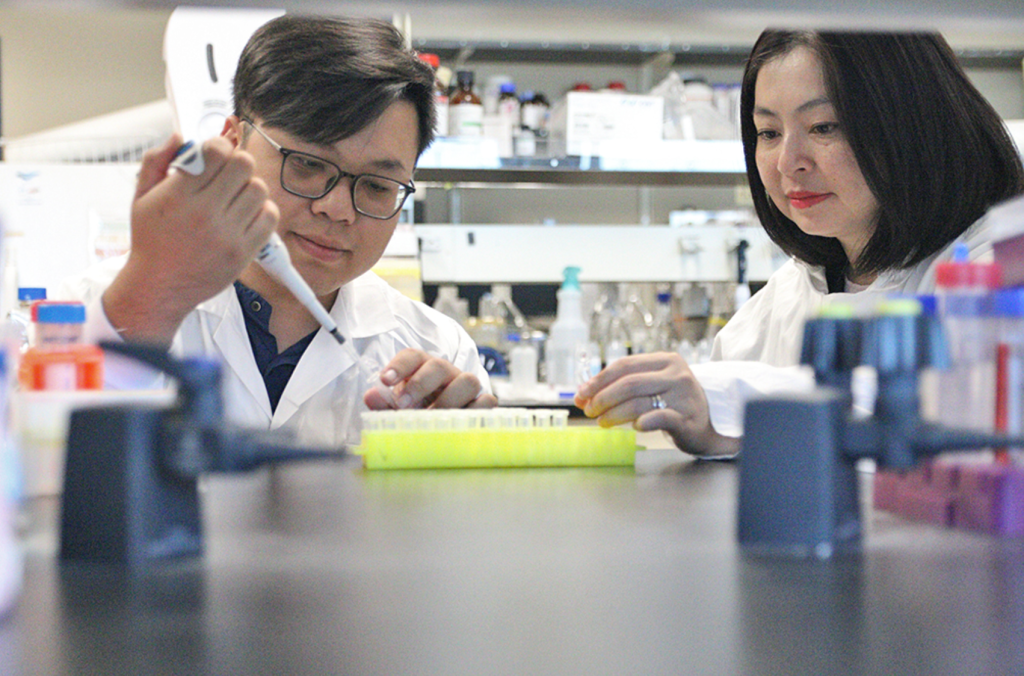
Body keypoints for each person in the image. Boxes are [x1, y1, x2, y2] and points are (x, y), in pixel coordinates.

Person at [575, 29, 1024, 457]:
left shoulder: (999, 261)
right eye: (769, 133)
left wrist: (724, 400)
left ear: (915, 125)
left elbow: (934, 415)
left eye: (824, 127)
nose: (788, 162)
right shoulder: (795, 290)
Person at [60, 15, 497, 447]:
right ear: (232, 141)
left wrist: (452, 459)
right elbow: (44, 460)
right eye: (307, 164)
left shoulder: (438, 353)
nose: (337, 209)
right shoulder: (90, 309)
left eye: (378, 186)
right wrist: (146, 300)